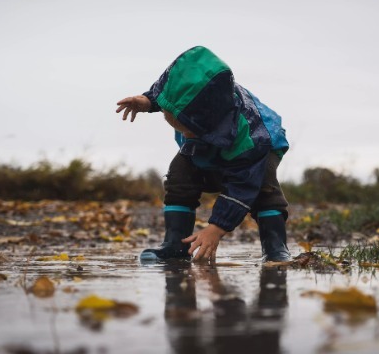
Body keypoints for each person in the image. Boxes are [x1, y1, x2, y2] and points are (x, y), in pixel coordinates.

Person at [116, 46, 290, 263]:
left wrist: (215, 229)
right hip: (209, 141)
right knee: (180, 174)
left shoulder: (249, 140)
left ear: (207, 119)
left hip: (261, 148)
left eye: (189, 128)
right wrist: (148, 101)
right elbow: (170, 93)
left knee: (264, 189)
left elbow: (242, 185)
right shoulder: (185, 99)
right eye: (176, 123)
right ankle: (175, 244)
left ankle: (275, 248)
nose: (185, 135)